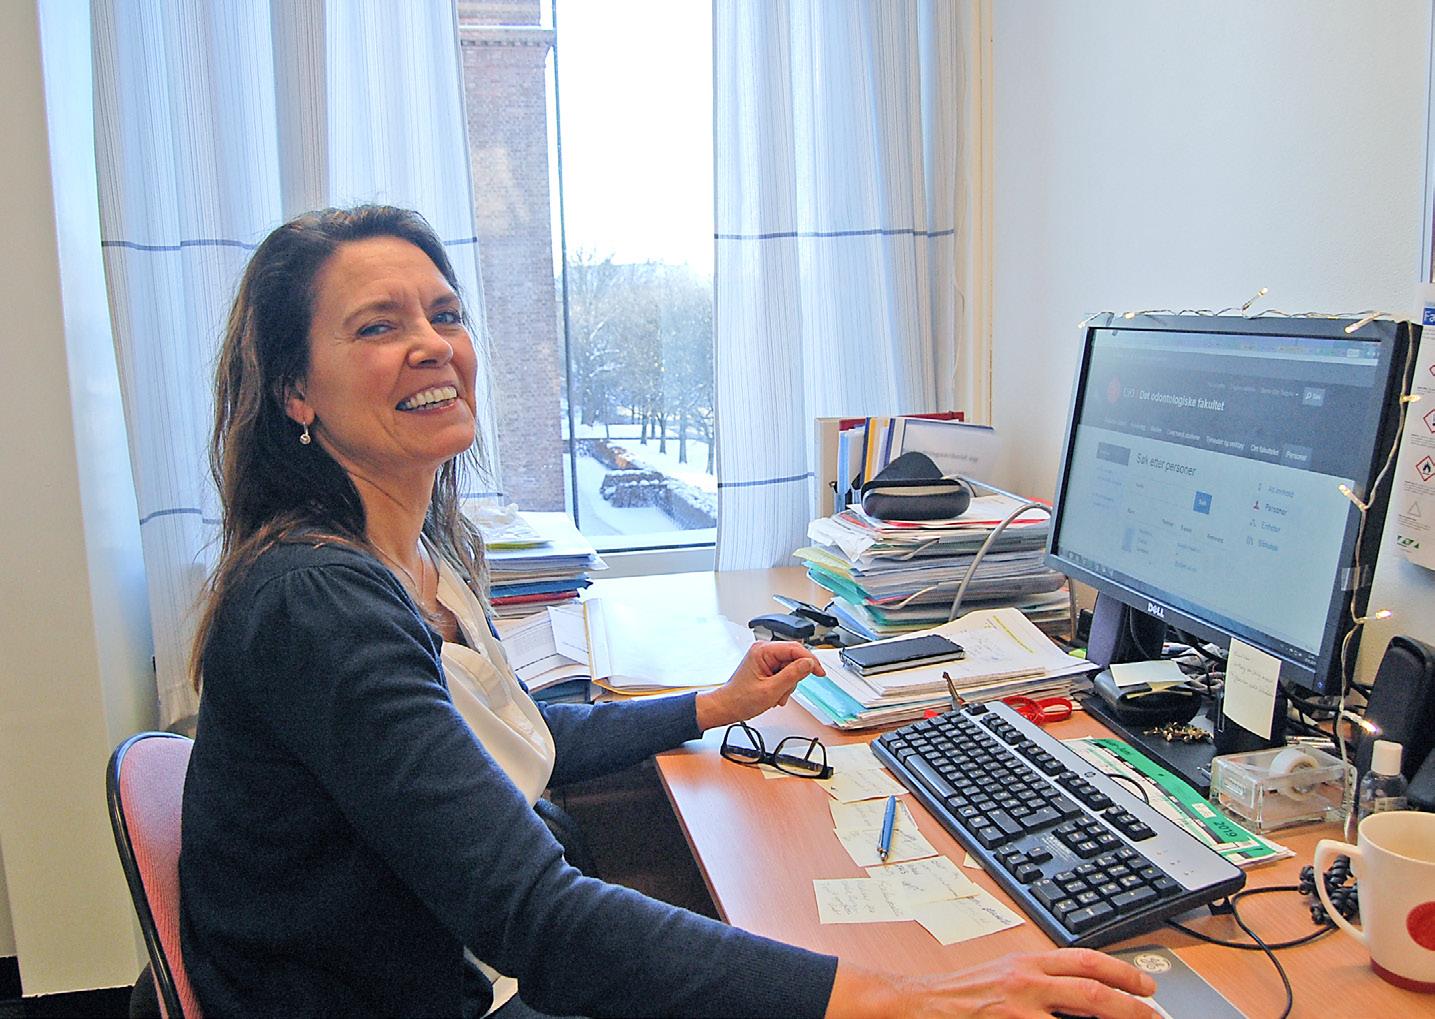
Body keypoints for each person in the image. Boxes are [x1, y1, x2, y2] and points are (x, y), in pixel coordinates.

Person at [179, 204, 1160, 1019]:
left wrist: (711, 707)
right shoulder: (317, 602)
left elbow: (516, 738)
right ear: (296, 390)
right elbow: (537, 917)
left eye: (445, 313)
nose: (432, 344)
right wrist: (901, 999)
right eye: (377, 326)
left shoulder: (416, 551)